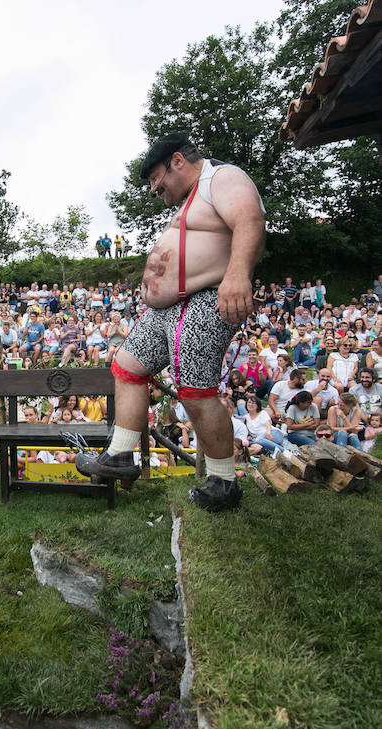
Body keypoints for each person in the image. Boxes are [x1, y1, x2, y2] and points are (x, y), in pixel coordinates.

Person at [74, 131, 266, 513]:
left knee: (196, 389)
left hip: (207, 298)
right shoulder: (189, 200)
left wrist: (238, 274)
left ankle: (224, 482)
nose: (153, 188)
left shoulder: (221, 178)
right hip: (169, 308)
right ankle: (121, 456)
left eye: (155, 178)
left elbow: (250, 220)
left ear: (177, 161)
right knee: (127, 365)